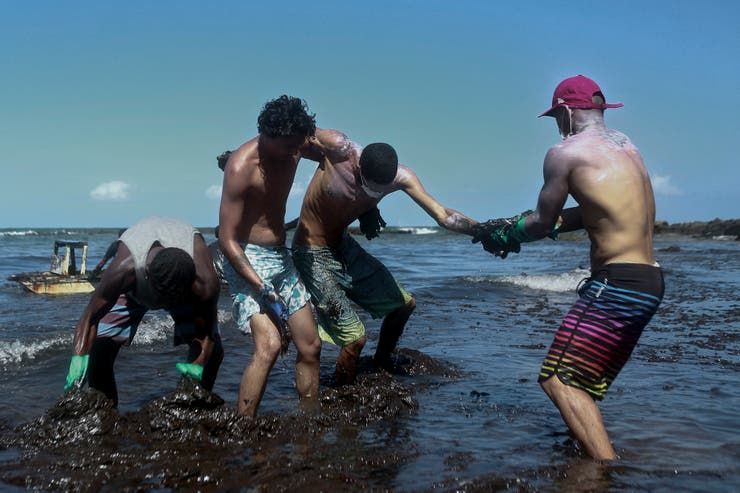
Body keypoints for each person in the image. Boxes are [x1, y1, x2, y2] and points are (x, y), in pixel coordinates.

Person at [472, 75, 664, 459]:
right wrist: (557, 223)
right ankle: (588, 453)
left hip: (618, 283)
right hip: (650, 280)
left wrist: (507, 235)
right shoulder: (627, 146)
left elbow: (542, 221)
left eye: (556, 117)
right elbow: (602, 211)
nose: (557, 126)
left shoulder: (565, 153)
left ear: (565, 111)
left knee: (559, 380)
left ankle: (604, 471)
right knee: (583, 382)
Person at [292, 130, 479, 384]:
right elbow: (291, 136)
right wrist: (245, 158)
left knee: (404, 305)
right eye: (368, 186)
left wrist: (482, 230)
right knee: (355, 338)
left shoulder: (402, 177)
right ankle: (340, 393)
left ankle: (382, 360)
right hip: (311, 249)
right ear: (358, 167)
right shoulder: (338, 148)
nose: (372, 194)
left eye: (379, 192)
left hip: (343, 246)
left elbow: (443, 215)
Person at [219, 95, 321, 417]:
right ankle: (244, 427)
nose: (295, 152)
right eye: (289, 146)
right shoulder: (241, 166)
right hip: (246, 258)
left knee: (310, 346)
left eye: (298, 145)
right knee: (270, 347)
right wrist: (259, 285)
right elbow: (227, 239)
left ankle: (308, 419)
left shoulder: (298, 144)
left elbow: (337, 153)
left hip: (280, 256)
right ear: (268, 135)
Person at [64, 216, 224, 407]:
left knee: (214, 354)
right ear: (147, 273)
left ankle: (194, 406)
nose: (162, 306)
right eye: (163, 299)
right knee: (100, 349)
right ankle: (104, 412)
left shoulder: (206, 282)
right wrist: (79, 359)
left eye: (170, 300)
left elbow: (207, 335)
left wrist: (196, 367)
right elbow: (90, 318)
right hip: (135, 289)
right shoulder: (123, 271)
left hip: (182, 288)